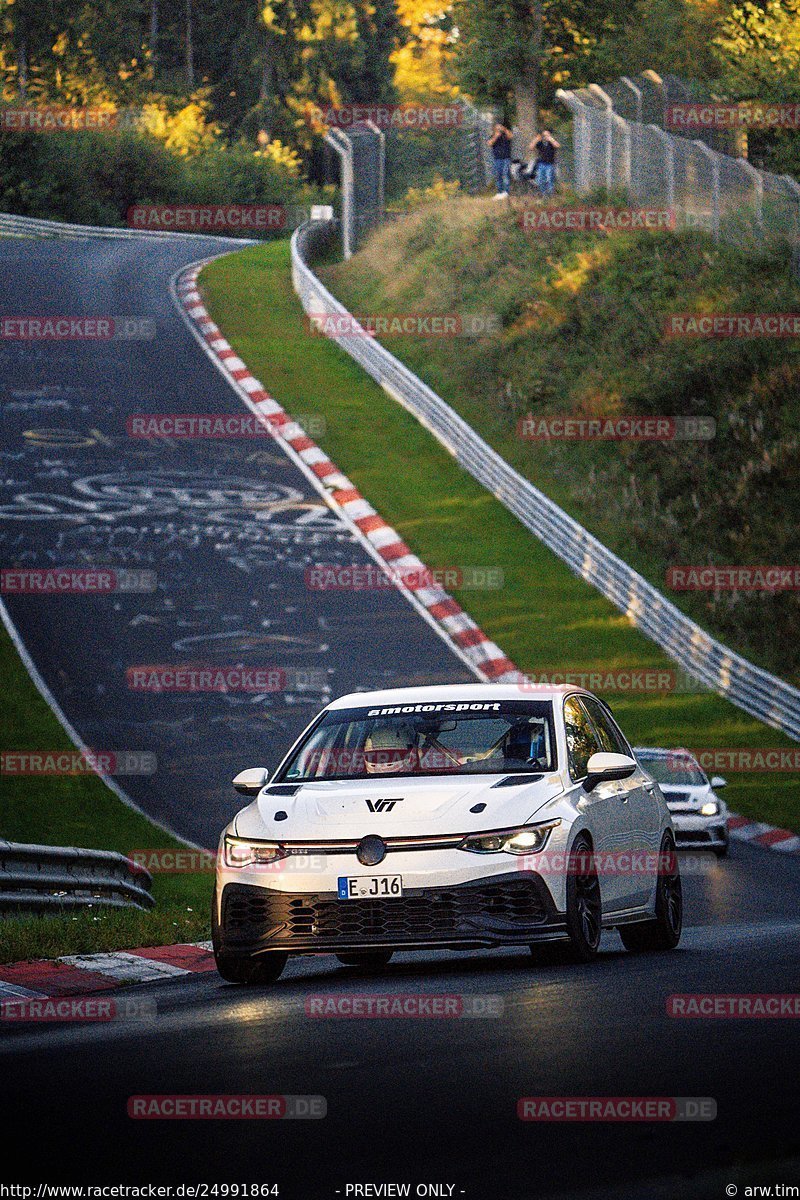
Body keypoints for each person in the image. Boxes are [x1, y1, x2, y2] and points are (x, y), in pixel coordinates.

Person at [529, 129, 560, 196]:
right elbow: (531, 147)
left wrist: (551, 139)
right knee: (540, 180)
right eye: (544, 135)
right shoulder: (540, 143)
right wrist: (536, 139)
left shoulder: (551, 143)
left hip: (550, 164)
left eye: (547, 135)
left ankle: (551, 194)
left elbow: (557, 145)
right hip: (541, 164)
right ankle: (544, 194)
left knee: (549, 179)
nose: (545, 136)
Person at [488, 122, 513, 198]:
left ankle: (506, 191)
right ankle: (499, 192)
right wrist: (496, 136)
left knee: (505, 174)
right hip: (497, 158)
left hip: (506, 158)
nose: (499, 129)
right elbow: (489, 143)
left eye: (500, 127)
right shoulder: (493, 135)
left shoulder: (506, 134)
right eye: (497, 127)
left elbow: (511, 136)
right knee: (498, 175)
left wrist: (505, 130)